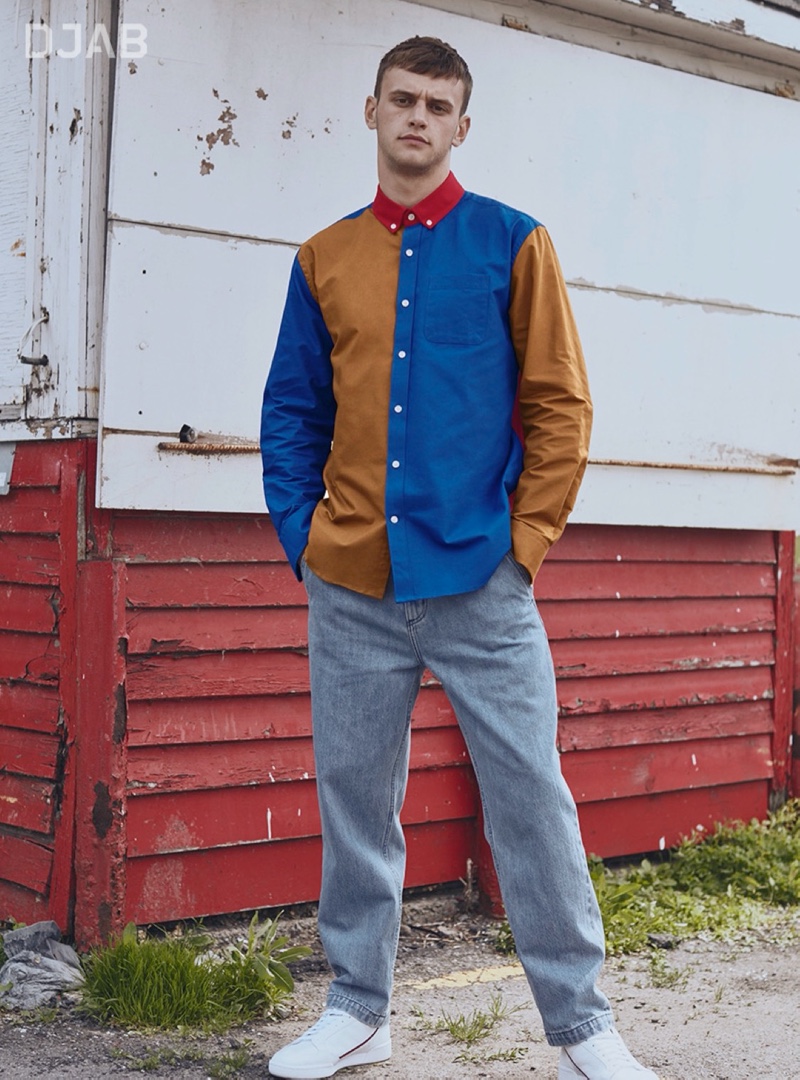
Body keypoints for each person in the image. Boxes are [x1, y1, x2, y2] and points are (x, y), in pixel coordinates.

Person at [260, 35, 659, 1080]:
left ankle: (579, 1028)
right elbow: (291, 414)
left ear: (461, 126)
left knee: (530, 798)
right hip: (350, 583)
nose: (418, 119)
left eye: (438, 105)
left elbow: (558, 407)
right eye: (403, 100)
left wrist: (522, 549)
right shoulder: (322, 258)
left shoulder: (512, 242)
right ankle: (357, 1011)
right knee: (355, 803)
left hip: (482, 579)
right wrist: (302, 538)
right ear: (371, 109)